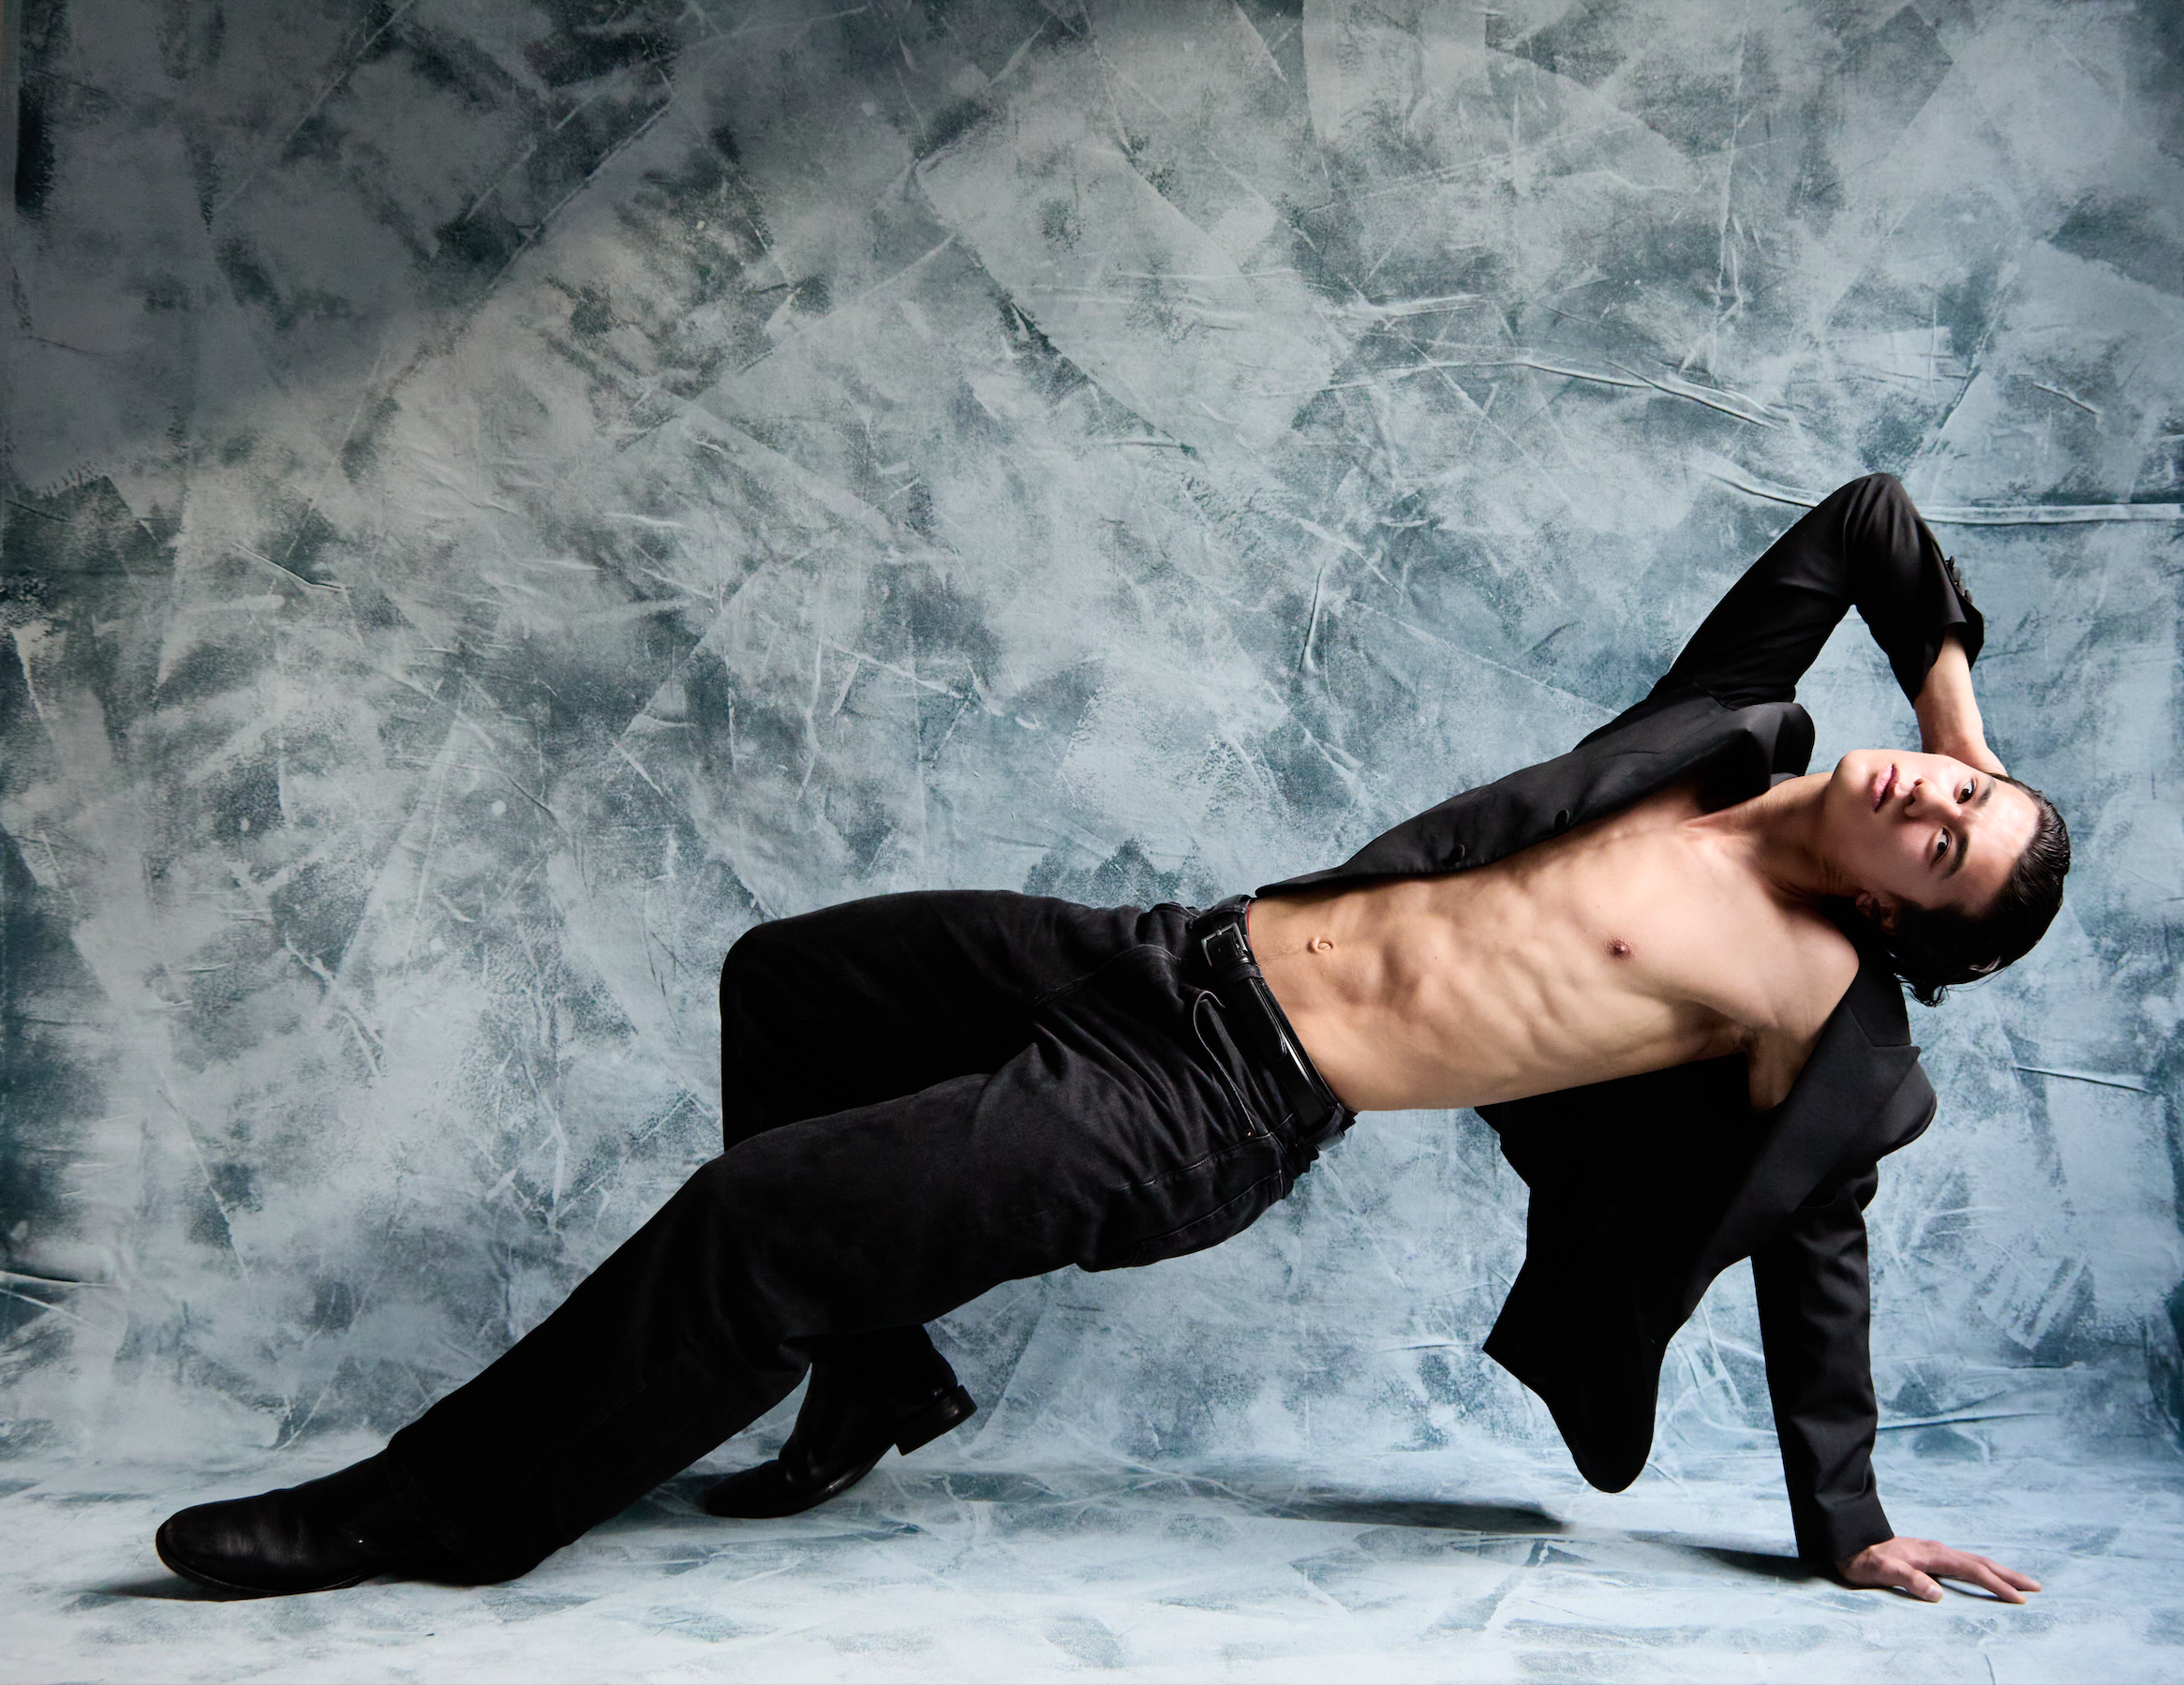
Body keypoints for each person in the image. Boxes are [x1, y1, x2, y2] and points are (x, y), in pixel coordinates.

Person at [154, 473, 2067, 1605]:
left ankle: (434, 1509)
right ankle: (878, 1382)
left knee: (762, 1214)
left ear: (1905, 917)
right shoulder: (1732, 730)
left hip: (1216, 1099)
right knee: (790, 980)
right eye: (1959, 793)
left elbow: (1820, 1238)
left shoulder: (1811, 996)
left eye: (1943, 843)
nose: (1926, 797)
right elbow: (1870, 520)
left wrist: (1849, 1518)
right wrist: (1965, 717)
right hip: (1168, 953)